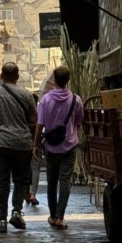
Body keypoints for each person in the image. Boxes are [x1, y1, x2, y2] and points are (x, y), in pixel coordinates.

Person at [0, 62, 37, 233]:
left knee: (1, 182)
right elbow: (34, 119)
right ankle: (17, 213)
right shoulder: (26, 94)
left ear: (1, 76)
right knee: (21, 180)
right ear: (17, 76)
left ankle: (1, 219)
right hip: (21, 143)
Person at [33, 65, 84, 229]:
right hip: (69, 146)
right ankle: (60, 217)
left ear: (54, 80)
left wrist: (35, 145)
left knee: (51, 182)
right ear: (68, 80)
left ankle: (53, 215)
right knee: (65, 181)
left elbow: (39, 125)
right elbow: (78, 122)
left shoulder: (46, 100)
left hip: (50, 147)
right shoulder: (76, 99)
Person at [25, 93, 41, 207]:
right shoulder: (39, 114)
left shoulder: (23, 113)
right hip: (36, 145)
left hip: (24, 144)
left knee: (25, 169)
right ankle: (33, 195)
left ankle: (27, 193)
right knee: (35, 169)